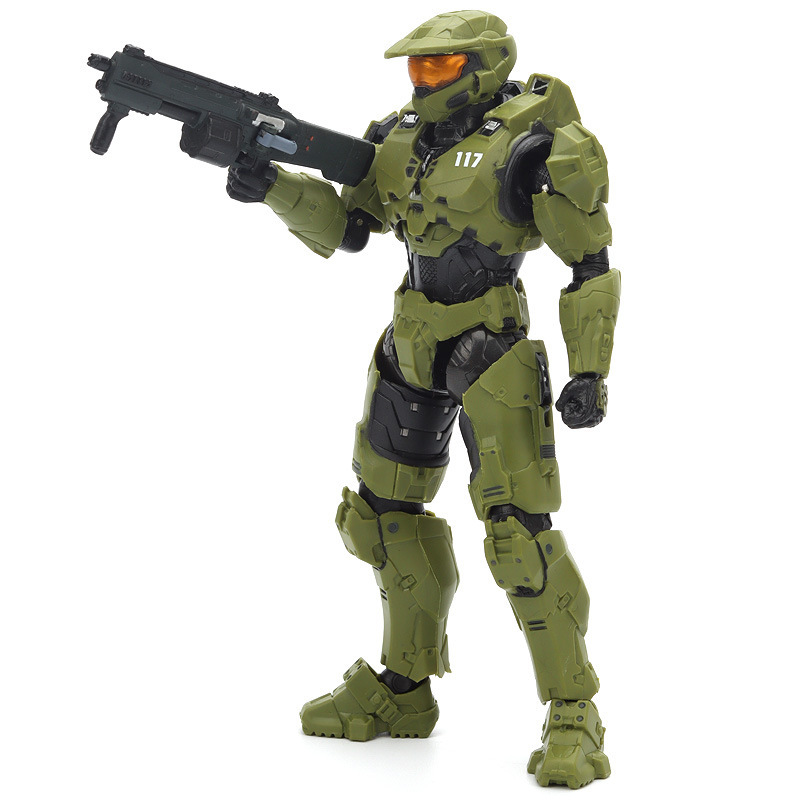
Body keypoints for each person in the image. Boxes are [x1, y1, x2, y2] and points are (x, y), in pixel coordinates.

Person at [227, 10, 620, 789]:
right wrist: (271, 187)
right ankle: (404, 688)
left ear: (485, 66)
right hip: (409, 339)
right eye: (418, 68)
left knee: (520, 538)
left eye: (440, 68)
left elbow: (590, 263)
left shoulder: (536, 142)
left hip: (490, 345)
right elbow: (349, 228)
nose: (423, 80)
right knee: (380, 518)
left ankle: (574, 711)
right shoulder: (399, 138)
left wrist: (590, 371)